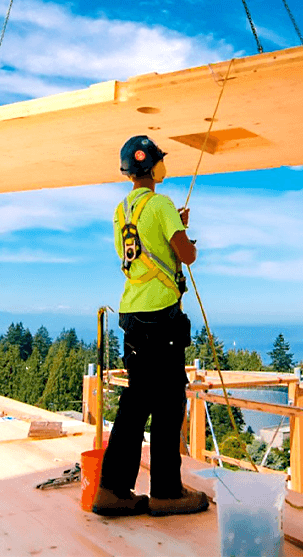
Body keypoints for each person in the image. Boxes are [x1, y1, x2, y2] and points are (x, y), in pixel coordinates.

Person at [92, 136, 209, 517]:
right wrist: (181, 233)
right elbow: (186, 254)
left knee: (137, 400)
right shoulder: (160, 205)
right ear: (154, 167)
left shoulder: (122, 209)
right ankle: (166, 492)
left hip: (133, 312)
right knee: (169, 401)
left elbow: (143, 248)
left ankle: (112, 489)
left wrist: (171, 223)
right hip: (162, 317)